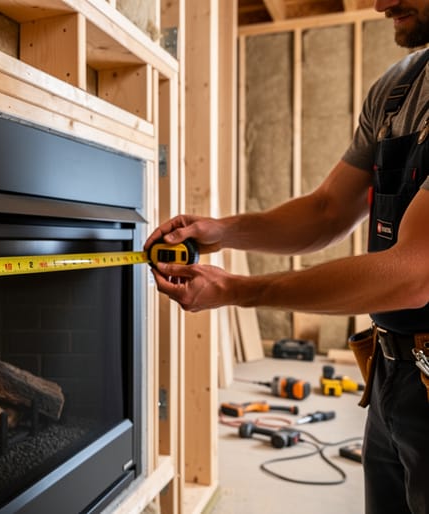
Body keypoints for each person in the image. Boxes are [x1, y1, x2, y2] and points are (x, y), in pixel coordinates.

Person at [144, 1, 429, 513]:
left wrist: (239, 290)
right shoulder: (398, 89)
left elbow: (414, 274)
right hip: (392, 374)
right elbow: (326, 212)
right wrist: (222, 231)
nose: (380, 3)